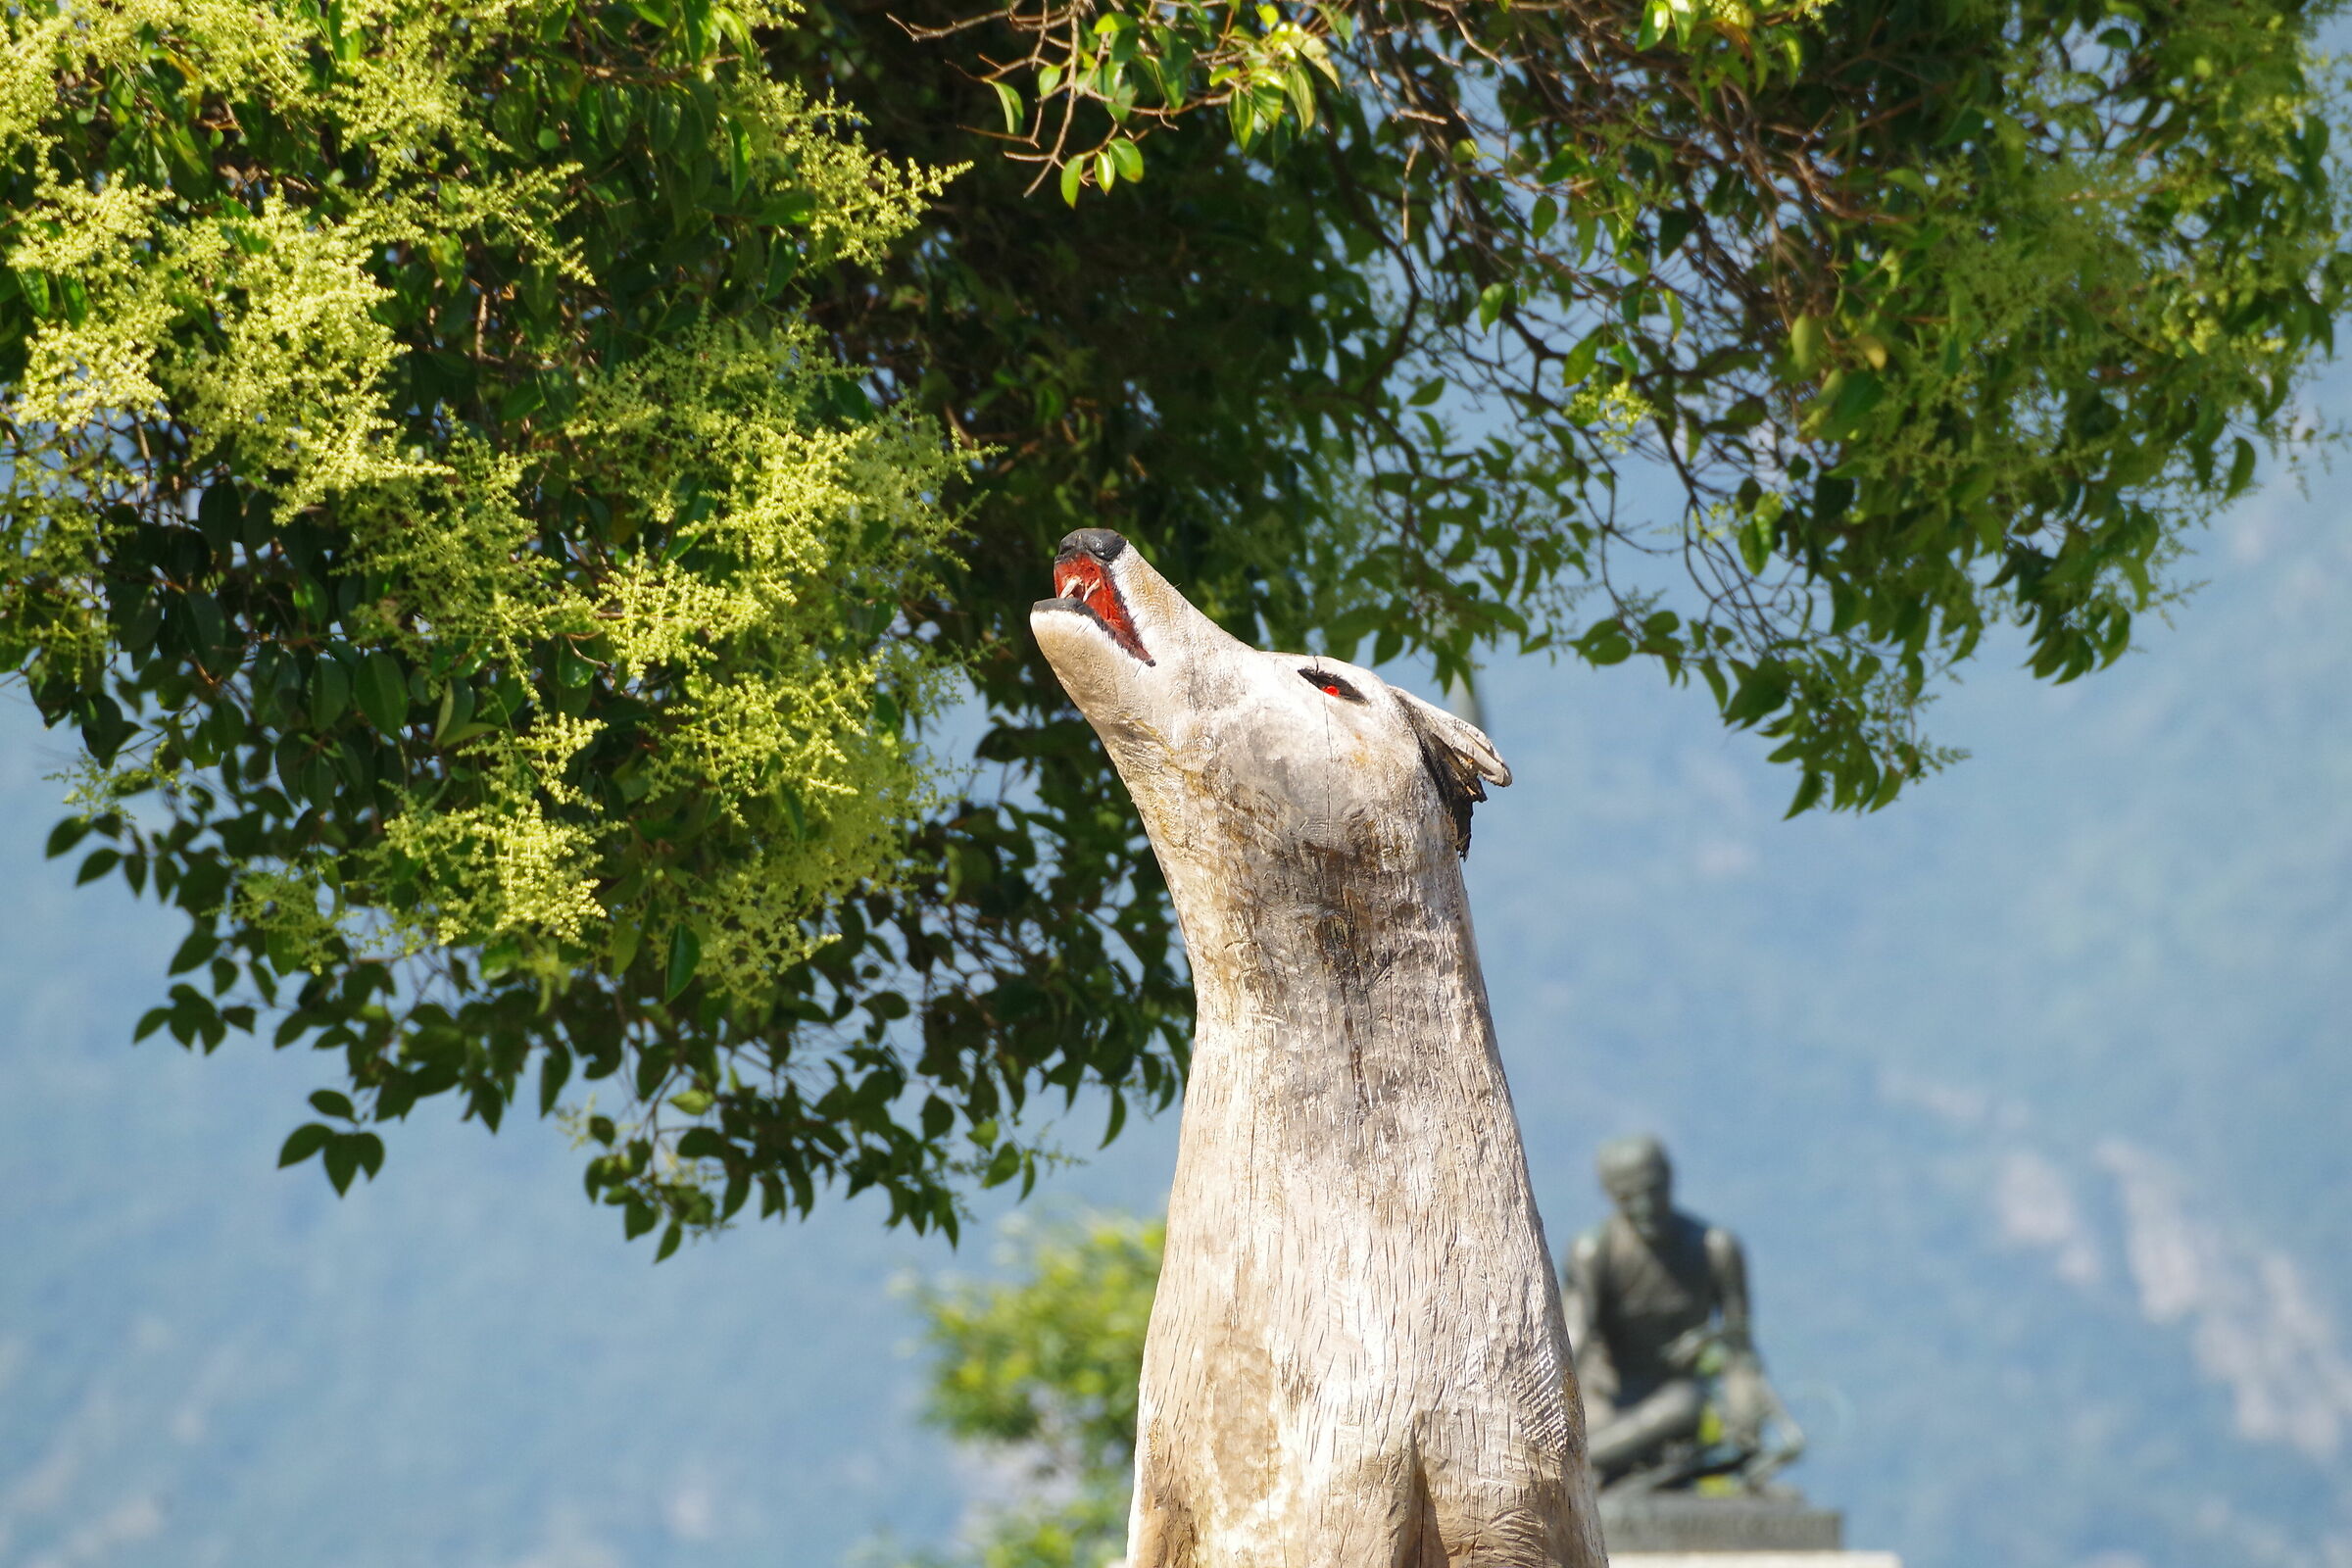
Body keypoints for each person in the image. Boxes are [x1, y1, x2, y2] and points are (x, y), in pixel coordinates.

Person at [1561, 1135, 1794, 1490]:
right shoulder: (1594, 1252)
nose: (1644, 1206)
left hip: (1674, 1396)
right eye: (1627, 1196)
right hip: (1604, 1399)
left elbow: (1739, 1346)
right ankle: (1577, 1459)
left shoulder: (1714, 1249)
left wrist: (1745, 1401)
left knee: (1686, 1404)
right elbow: (1574, 1337)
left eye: (1652, 1190)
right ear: (1609, 1194)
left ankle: (1581, 1461)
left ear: (1670, 1179)